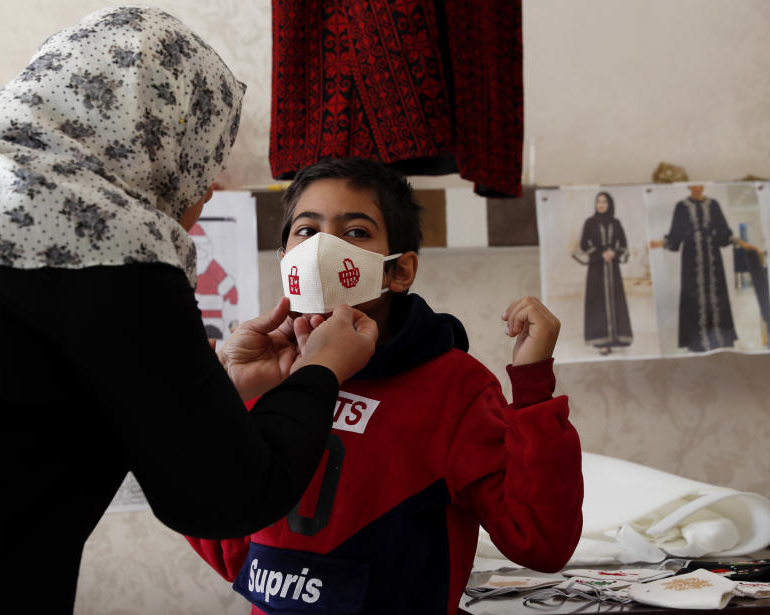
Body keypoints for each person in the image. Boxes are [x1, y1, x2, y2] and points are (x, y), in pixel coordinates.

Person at [0, 8, 378, 612]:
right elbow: (226, 497)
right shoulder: (105, 239)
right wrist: (321, 372)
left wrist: (219, 394)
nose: (204, 194)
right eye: (203, 167)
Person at [185, 158, 584, 614]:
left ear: (400, 271)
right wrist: (221, 399)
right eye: (306, 231)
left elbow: (542, 543)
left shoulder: (456, 387)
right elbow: (229, 547)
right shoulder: (261, 375)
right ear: (285, 260)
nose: (323, 248)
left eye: (355, 232)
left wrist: (532, 388)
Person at [650, 185, 736, 352]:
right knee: (693, 293)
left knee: (716, 292)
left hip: (712, 256)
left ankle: (719, 338)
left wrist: (739, 241)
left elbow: (724, 231)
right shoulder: (681, 206)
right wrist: (660, 243)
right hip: (691, 256)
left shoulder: (714, 204)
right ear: (689, 186)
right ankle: (697, 341)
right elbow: (676, 233)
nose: (697, 186)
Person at [573, 191, 633, 355]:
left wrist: (614, 253)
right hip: (596, 269)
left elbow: (624, 244)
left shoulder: (616, 222)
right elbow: (584, 245)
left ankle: (617, 338)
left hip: (613, 268)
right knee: (598, 302)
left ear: (609, 204)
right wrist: (600, 254)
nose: (601, 205)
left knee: (615, 300)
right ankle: (602, 342)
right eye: (598, 201)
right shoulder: (590, 222)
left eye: (604, 202)